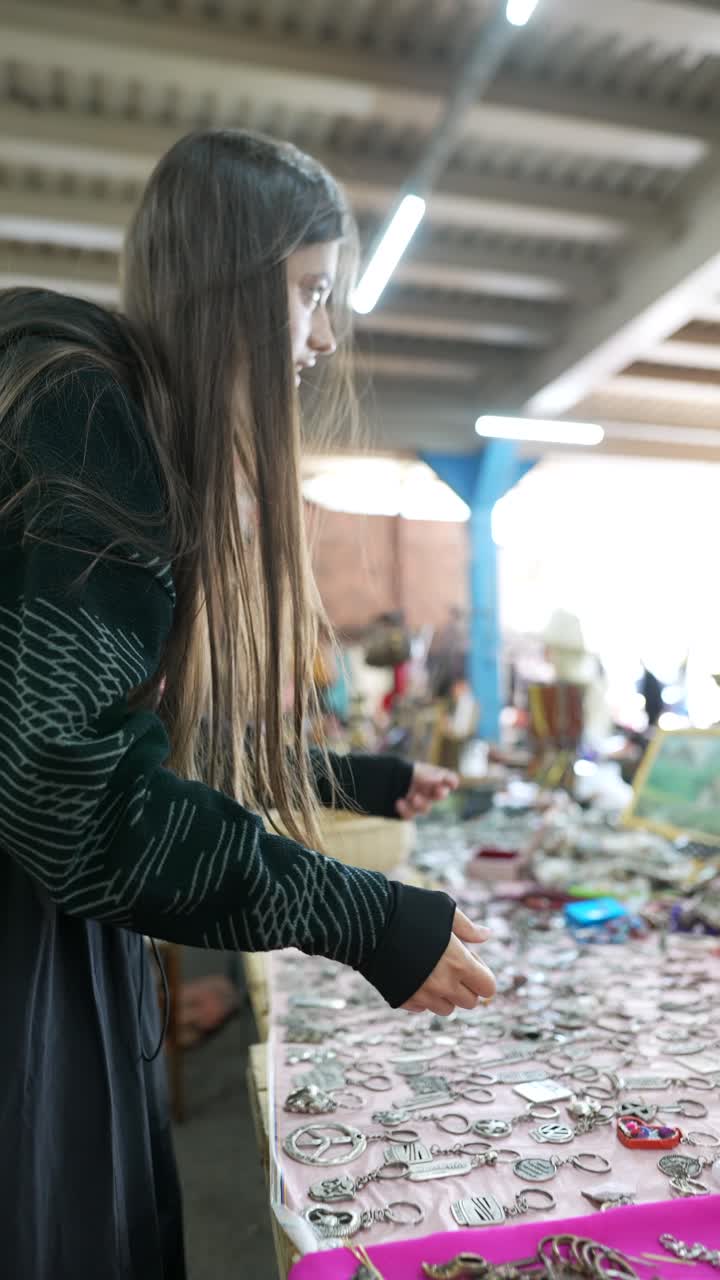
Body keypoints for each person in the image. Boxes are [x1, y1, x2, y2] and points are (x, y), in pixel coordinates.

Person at [0, 131, 496, 1280]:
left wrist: (355, 779)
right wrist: (359, 915)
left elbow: (155, 746)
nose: (322, 335)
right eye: (309, 292)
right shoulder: (80, 414)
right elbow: (81, 801)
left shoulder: (114, 418)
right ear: (228, 279)